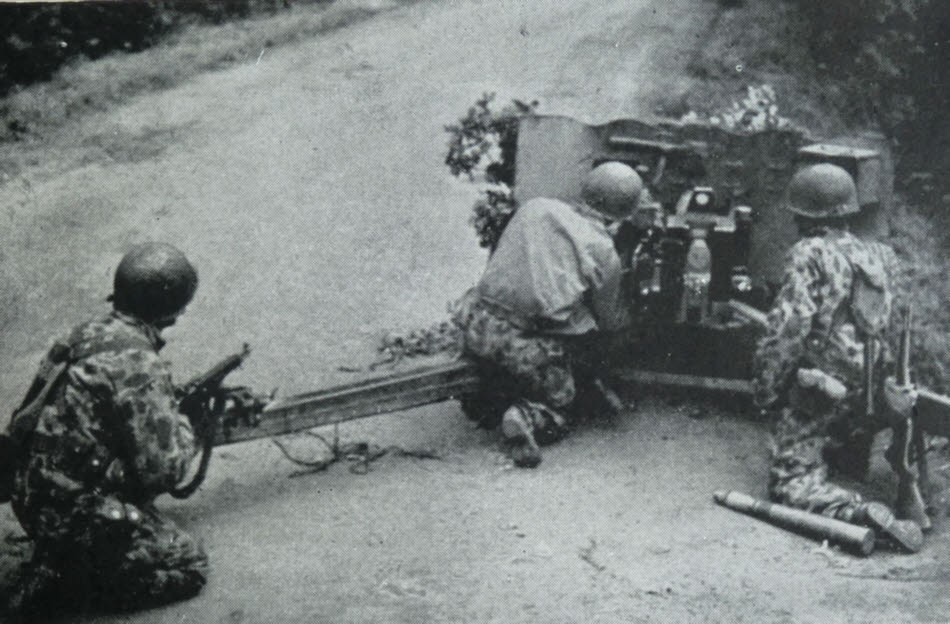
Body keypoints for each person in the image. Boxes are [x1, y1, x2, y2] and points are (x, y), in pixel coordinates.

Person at [5, 242, 208, 616]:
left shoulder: (81, 334)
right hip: (72, 514)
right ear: (174, 312)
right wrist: (187, 423)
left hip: (29, 493)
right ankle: (74, 585)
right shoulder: (140, 364)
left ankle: (64, 556)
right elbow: (164, 472)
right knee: (189, 564)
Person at [753, 163, 924, 552]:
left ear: (802, 214)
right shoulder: (878, 254)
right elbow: (892, 327)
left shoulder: (809, 253)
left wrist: (767, 390)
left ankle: (855, 513)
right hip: (868, 391)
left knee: (788, 483)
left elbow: (787, 331)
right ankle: (848, 455)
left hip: (821, 391)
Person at [455, 161, 642, 467]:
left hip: (474, 325)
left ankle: (484, 400)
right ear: (623, 215)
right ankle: (528, 417)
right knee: (564, 403)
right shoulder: (603, 249)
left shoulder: (536, 207)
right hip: (524, 349)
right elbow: (609, 320)